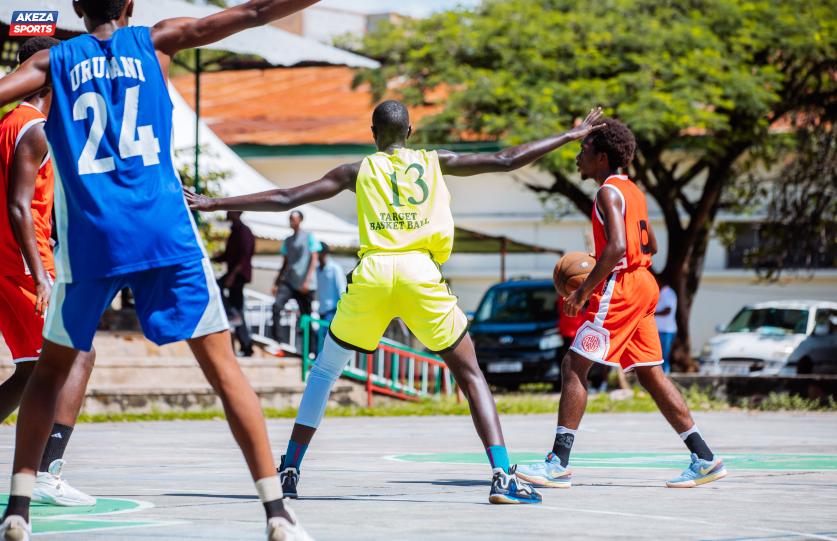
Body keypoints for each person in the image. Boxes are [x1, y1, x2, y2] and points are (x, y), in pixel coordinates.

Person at [0, 1, 321, 540]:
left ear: (76, 6)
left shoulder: (54, 61)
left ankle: (19, 510)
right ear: (130, 4)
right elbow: (256, 12)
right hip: (163, 229)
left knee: (51, 369)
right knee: (224, 372)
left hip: (93, 236)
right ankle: (277, 513)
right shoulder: (158, 41)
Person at [187, 100, 608, 504]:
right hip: (420, 273)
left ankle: (291, 470)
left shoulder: (357, 170)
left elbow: (286, 198)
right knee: (471, 374)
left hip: (373, 274)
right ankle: (501, 475)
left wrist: (212, 203)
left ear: (373, 135)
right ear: (410, 132)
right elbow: (505, 159)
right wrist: (571, 134)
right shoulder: (433, 161)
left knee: (324, 372)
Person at [517, 119, 726, 491]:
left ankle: (557, 463)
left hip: (623, 285)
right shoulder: (633, 191)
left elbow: (616, 248)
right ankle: (704, 457)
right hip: (645, 284)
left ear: (601, 157)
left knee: (574, 364)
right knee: (649, 374)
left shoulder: (606, 194)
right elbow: (652, 246)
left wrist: (582, 293)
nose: (578, 156)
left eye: (583, 150)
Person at [0, 37, 96, 508]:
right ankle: (46, 471)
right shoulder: (33, 129)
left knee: (29, 370)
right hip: (24, 260)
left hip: (9, 259)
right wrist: (39, 273)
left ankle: (42, 469)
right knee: (78, 353)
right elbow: (20, 206)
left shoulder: (8, 123)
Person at [272, 210, 320, 342]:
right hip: (290, 281)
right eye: (290, 218)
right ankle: (279, 341)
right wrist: (276, 283)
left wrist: (307, 281)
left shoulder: (309, 236)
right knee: (277, 306)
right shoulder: (288, 240)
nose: (291, 221)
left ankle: (310, 348)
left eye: (294, 218)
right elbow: (285, 263)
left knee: (306, 317)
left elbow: (314, 259)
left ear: (300, 220)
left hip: (305, 284)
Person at [216, 211, 256, 357]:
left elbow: (244, 257)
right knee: (236, 308)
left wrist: (232, 276)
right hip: (233, 274)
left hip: (238, 276)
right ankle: (245, 345)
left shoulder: (243, 231)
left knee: (237, 310)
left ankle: (247, 345)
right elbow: (228, 255)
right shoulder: (235, 231)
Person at [315, 243, 346, 350]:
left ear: (323, 253)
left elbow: (341, 290)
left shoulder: (335, 268)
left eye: (317, 252)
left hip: (332, 311)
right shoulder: (318, 269)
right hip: (322, 311)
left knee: (329, 342)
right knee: (321, 341)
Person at [655, 278, 678, 373]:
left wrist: (652, 313)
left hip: (666, 330)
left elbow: (668, 310)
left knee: (663, 355)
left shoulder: (668, 293)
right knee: (657, 355)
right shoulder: (661, 293)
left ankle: (665, 375)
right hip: (660, 329)